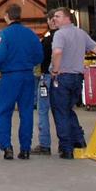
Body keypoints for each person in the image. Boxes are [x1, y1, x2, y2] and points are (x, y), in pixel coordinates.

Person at [49, 7, 96, 159]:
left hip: (62, 78)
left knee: (60, 113)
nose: (55, 19)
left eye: (58, 16)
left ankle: (66, 148)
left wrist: (55, 70)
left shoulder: (60, 34)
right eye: (54, 17)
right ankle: (79, 141)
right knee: (68, 110)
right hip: (77, 79)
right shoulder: (81, 33)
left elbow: (57, 52)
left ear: (67, 18)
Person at [0, 3, 43, 160]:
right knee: (26, 112)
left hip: (10, 77)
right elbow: (39, 56)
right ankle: (25, 149)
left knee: (5, 112)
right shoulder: (31, 34)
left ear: (7, 16)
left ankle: (7, 147)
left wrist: (0, 65)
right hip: (27, 76)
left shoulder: (3, 35)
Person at [33, 12, 57, 156]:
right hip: (64, 78)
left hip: (47, 78)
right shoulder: (67, 37)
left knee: (43, 111)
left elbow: (38, 58)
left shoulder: (47, 41)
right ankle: (68, 144)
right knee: (63, 111)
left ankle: (44, 144)